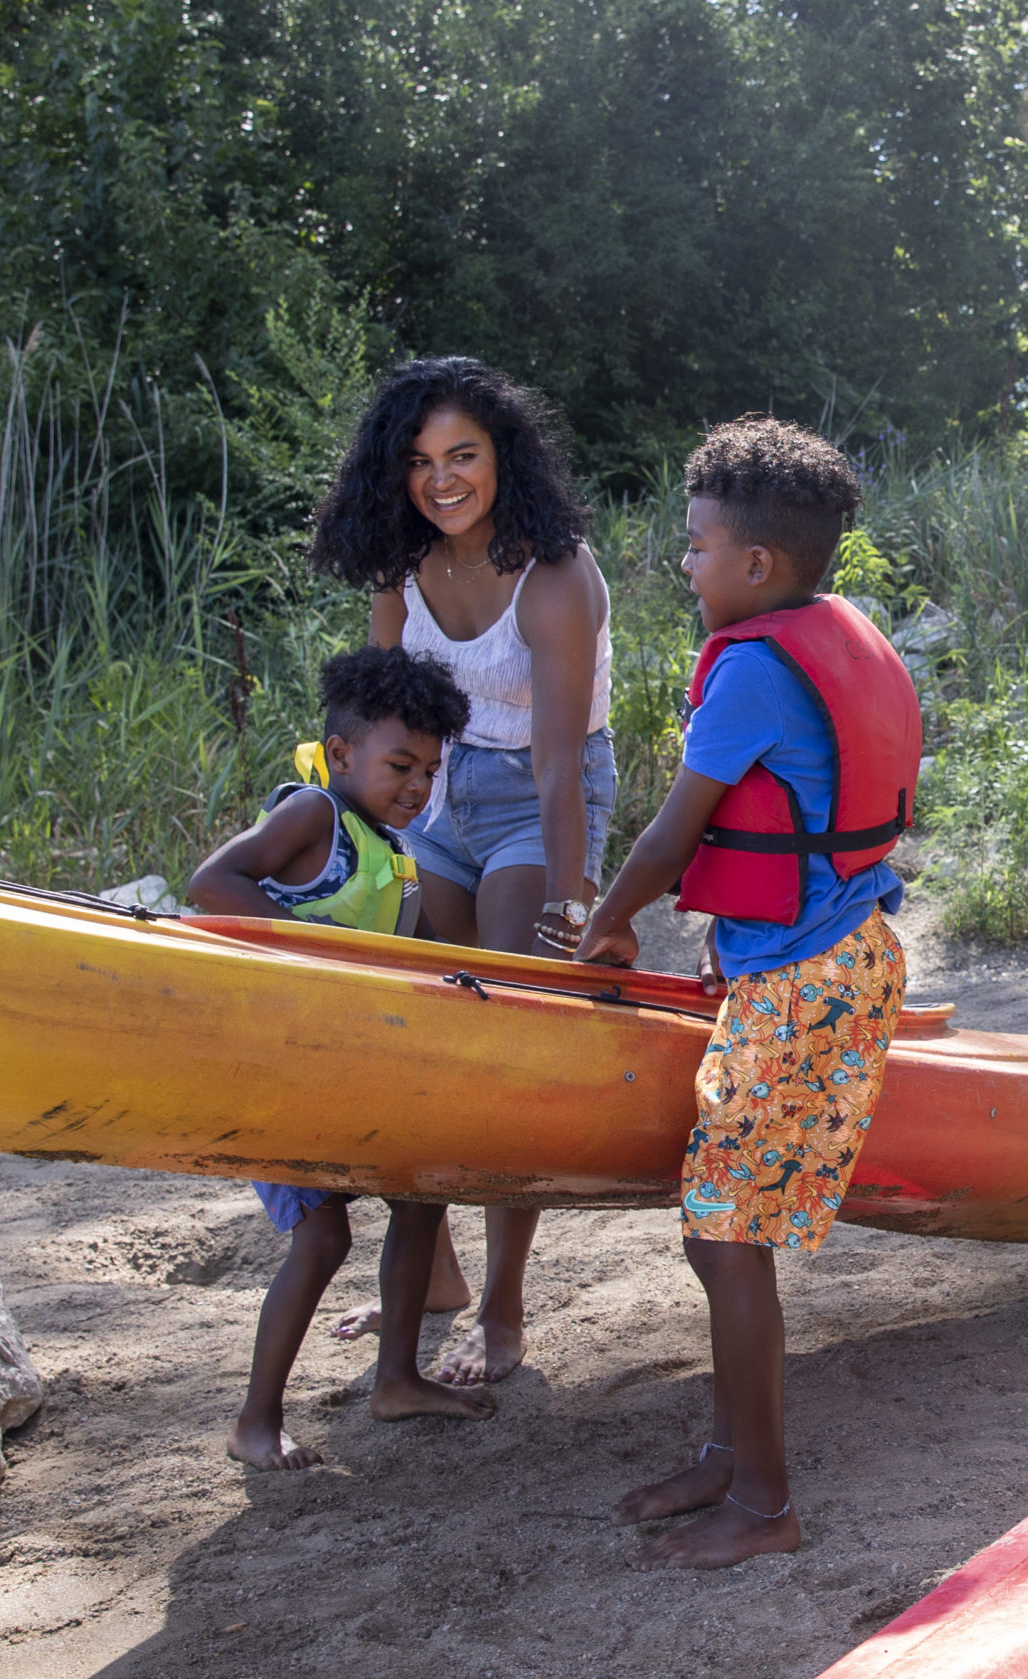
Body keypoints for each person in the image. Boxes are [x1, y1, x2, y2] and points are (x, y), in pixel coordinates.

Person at [571, 417, 919, 1570]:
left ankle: (766, 1504)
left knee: (729, 1239)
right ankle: (731, 1454)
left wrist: (609, 923)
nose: (685, 563)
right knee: (723, 1230)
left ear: (756, 566)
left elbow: (674, 833)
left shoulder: (756, 674)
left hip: (807, 987)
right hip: (824, 964)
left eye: (696, 545)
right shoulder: (819, 636)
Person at [308, 356, 616, 1385]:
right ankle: (430, 1280)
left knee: (501, 1041)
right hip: (435, 796)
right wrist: (346, 846)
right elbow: (377, 720)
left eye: (463, 456)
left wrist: (572, 902)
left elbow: (559, 762)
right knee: (420, 1027)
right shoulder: (402, 567)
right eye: (419, 461)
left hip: (542, 798)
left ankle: (503, 1304)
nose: (442, 480)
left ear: (502, 457)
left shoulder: (556, 573)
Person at [188, 645, 502, 1470]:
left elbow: (431, 955)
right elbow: (212, 882)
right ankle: (255, 1420)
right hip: (274, 1073)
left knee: (421, 1193)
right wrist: (315, 959)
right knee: (323, 1240)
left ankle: (395, 1378)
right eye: (401, 764)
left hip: (343, 1072)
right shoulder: (314, 817)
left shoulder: (395, 859)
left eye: (431, 771)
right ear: (341, 754)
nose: (417, 786)